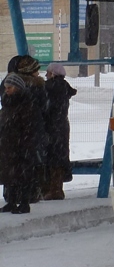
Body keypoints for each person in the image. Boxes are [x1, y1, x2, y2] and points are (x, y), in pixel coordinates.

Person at [0, 72, 45, 213]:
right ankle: (11, 202)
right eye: (6, 87)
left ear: (18, 88)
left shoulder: (27, 104)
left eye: (10, 87)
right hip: (8, 146)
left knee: (23, 175)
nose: (6, 90)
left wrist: (27, 144)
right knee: (10, 176)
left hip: (22, 146)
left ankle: (24, 203)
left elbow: (32, 127)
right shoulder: (7, 105)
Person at [42, 63, 77, 201]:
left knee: (50, 156)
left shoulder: (49, 87)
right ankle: (57, 188)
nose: (46, 75)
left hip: (50, 127)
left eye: (48, 72)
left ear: (53, 74)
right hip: (62, 126)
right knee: (59, 156)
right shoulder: (65, 87)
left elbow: (45, 107)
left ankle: (51, 189)